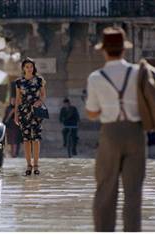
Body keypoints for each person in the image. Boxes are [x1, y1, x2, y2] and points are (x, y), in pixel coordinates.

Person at [85, 26, 146, 232]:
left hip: (110, 133)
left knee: (105, 188)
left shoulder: (96, 77)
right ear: (124, 49)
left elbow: (92, 112)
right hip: (136, 133)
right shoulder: (137, 72)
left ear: (103, 50)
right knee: (133, 192)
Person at [14, 57, 47, 175]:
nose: (29, 69)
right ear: (23, 68)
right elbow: (17, 99)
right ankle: (28, 165)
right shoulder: (19, 82)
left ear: (34, 68)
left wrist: (39, 102)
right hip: (23, 112)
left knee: (36, 138)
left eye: (31, 66)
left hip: (36, 112)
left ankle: (36, 165)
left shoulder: (39, 80)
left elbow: (43, 95)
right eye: (27, 67)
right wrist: (16, 115)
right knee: (26, 139)